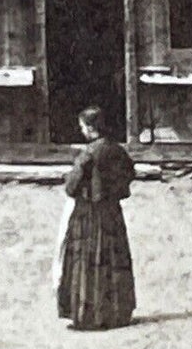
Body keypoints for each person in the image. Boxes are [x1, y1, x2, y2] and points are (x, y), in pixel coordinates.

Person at [56, 106, 137, 330]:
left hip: (89, 215)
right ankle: (117, 313)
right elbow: (130, 173)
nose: (81, 131)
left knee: (88, 262)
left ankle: (90, 316)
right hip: (111, 213)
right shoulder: (117, 151)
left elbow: (71, 187)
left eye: (83, 127)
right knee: (113, 259)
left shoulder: (88, 154)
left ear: (91, 129)